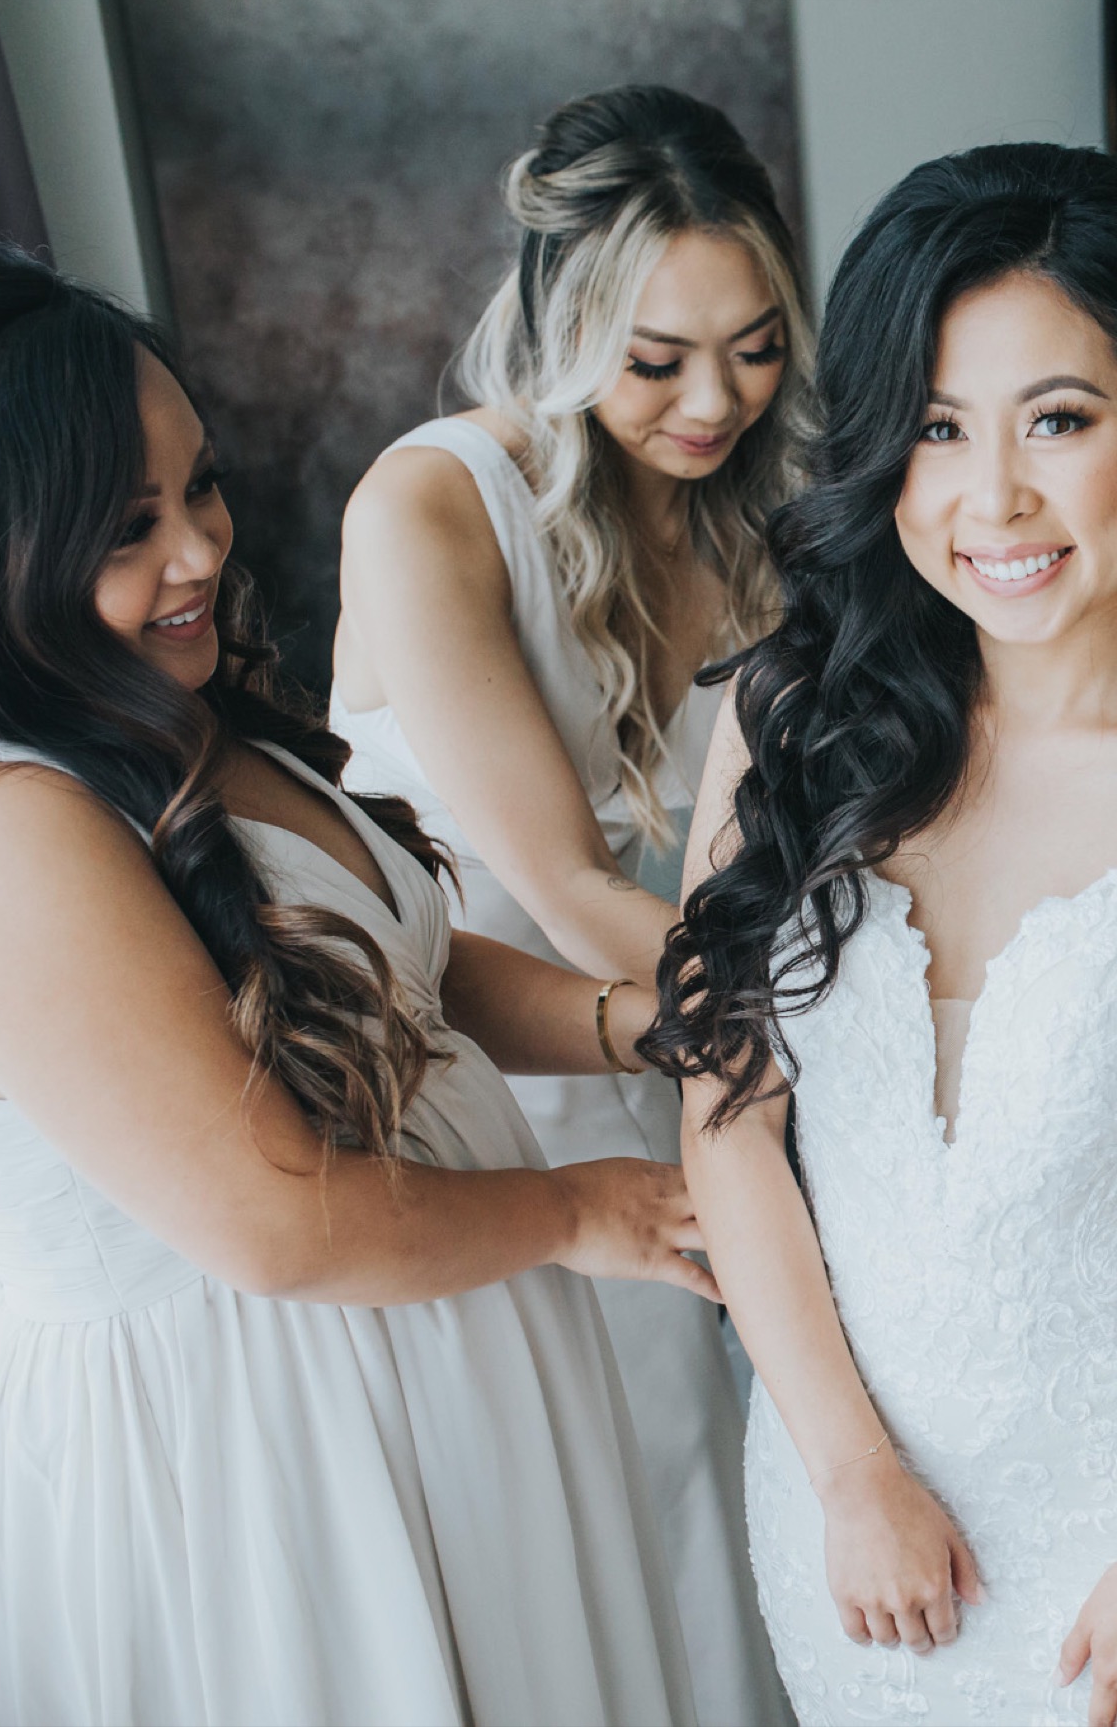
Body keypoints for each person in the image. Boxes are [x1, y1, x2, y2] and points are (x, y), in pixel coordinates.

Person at [642, 145, 1117, 1727]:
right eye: (935, 426)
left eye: (1057, 419)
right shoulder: (793, 721)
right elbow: (729, 1126)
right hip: (842, 1500)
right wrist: (852, 1475)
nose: (994, 501)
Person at [0, 237, 707, 1723]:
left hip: (424, 1348)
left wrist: (647, 1025)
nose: (200, 553)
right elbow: (274, 1219)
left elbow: (394, 964)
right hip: (253, 1448)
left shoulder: (172, 708)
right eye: (128, 526)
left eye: (202, 486)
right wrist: (573, 1209)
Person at [331, 85, 806, 1717]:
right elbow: (565, 879)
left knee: (691, 1495)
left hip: (666, 1042)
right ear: (559, 322)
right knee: (556, 1520)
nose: (715, 401)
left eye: (755, 346)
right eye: (656, 359)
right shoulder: (430, 506)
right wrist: (799, 1043)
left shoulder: (751, 526)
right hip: (476, 1078)